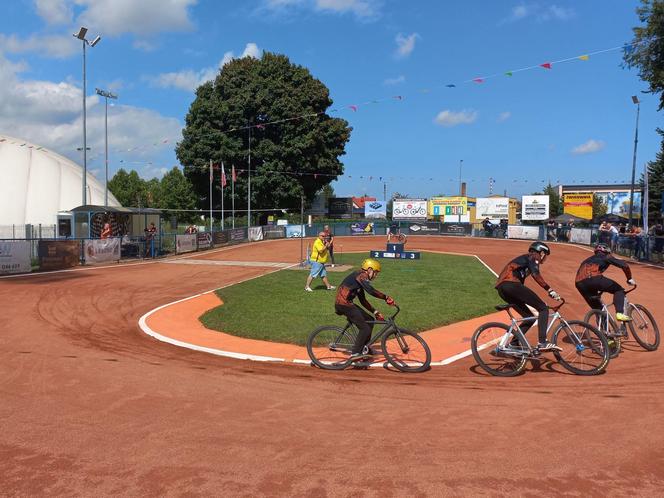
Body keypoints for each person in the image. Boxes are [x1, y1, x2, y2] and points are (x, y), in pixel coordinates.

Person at [495, 241, 562, 351]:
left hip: (503, 289)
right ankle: (542, 342)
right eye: (545, 255)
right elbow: (536, 274)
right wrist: (549, 290)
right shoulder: (533, 256)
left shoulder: (525, 259)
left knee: (528, 318)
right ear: (541, 252)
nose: (544, 258)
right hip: (511, 285)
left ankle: (514, 344)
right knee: (543, 308)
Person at [335, 258, 395, 361]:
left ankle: (365, 348)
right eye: (375, 272)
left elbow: (363, 300)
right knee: (365, 328)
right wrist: (385, 297)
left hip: (347, 304)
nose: (376, 275)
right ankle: (355, 353)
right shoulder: (361, 276)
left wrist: (375, 312)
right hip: (343, 305)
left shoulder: (359, 280)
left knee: (370, 321)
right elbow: (370, 290)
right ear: (369, 270)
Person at [575, 243, 635, 322]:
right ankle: (620, 314)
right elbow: (625, 266)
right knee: (619, 290)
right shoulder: (606, 256)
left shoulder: (586, 260)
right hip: (593, 278)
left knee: (599, 309)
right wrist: (629, 278)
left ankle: (603, 333)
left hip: (579, 284)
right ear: (607, 250)